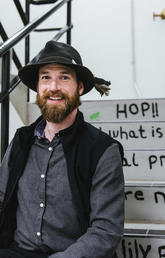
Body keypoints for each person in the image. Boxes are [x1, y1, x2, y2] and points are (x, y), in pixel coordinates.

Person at [0, 41, 124, 258]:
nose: (53, 87)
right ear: (38, 87)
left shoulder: (102, 150)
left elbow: (105, 231)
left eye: (64, 77)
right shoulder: (21, 140)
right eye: (45, 77)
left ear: (80, 87)